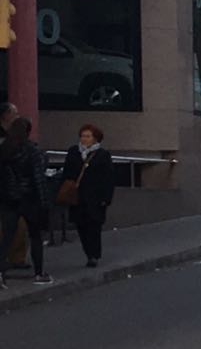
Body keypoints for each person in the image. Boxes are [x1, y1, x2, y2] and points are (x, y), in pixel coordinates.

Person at [0, 117, 53, 287]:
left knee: (7, 236)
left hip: (9, 199)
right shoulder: (32, 150)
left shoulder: (4, 149)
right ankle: (39, 273)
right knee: (35, 236)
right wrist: (45, 203)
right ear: (28, 131)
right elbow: (39, 179)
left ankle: (0, 273)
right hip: (30, 198)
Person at [59, 124, 115, 268]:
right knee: (81, 226)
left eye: (88, 136)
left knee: (94, 226)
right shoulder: (73, 152)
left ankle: (94, 255)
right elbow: (67, 173)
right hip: (77, 196)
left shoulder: (102, 155)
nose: (84, 139)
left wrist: (106, 198)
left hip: (95, 197)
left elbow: (108, 178)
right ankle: (88, 252)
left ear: (95, 139)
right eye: (82, 136)